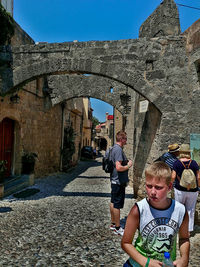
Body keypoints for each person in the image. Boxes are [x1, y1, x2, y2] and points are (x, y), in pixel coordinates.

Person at [121, 161, 190, 267]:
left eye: (158, 187)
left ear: (169, 186)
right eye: (149, 186)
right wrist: (146, 262)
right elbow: (125, 243)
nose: (152, 192)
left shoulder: (180, 211)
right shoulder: (138, 210)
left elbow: (184, 238)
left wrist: (184, 259)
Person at [171, 144, 200, 234]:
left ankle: (178, 228)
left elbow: (173, 176)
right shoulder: (194, 163)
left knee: (178, 208)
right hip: (193, 190)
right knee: (190, 209)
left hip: (180, 189)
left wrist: (170, 185)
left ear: (180, 153)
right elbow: (198, 177)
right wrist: (198, 187)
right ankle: (189, 230)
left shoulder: (177, 163)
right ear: (188, 153)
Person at [109, 130, 133, 236]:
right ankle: (118, 228)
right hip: (118, 181)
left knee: (113, 202)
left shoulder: (113, 148)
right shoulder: (118, 150)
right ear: (122, 139)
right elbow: (118, 167)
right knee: (117, 204)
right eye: (126, 139)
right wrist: (129, 165)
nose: (126, 141)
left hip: (114, 180)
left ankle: (113, 224)